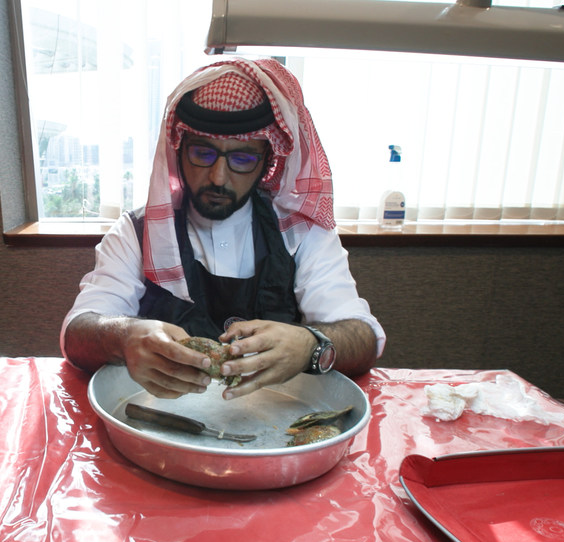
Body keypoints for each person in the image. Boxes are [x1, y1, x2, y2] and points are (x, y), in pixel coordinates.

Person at [61, 58, 385, 400]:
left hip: (273, 425)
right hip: (163, 419)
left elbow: (363, 336)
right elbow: (77, 333)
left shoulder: (303, 233)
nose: (218, 177)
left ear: (267, 161)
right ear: (179, 149)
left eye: (242, 159)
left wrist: (309, 344)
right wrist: (124, 336)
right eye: (202, 153)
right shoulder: (136, 232)